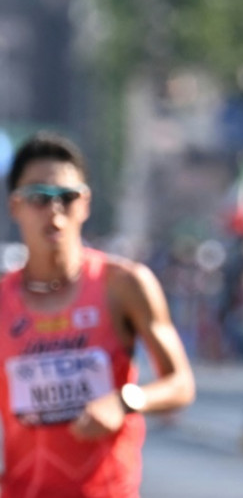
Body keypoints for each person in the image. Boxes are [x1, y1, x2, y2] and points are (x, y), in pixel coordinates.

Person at [0, 131, 195, 498]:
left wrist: (125, 401)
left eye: (67, 197)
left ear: (85, 203)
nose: (55, 210)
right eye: (39, 198)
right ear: (15, 207)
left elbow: (181, 384)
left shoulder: (125, 284)